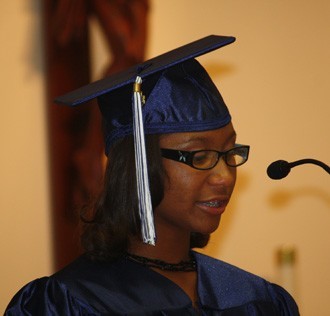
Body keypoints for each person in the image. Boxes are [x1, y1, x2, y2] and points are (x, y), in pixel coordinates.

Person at [5, 35, 299, 315]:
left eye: (229, 152)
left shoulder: (257, 299)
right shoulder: (67, 304)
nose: (224, 176)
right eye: (200, 156)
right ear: (138, 166)